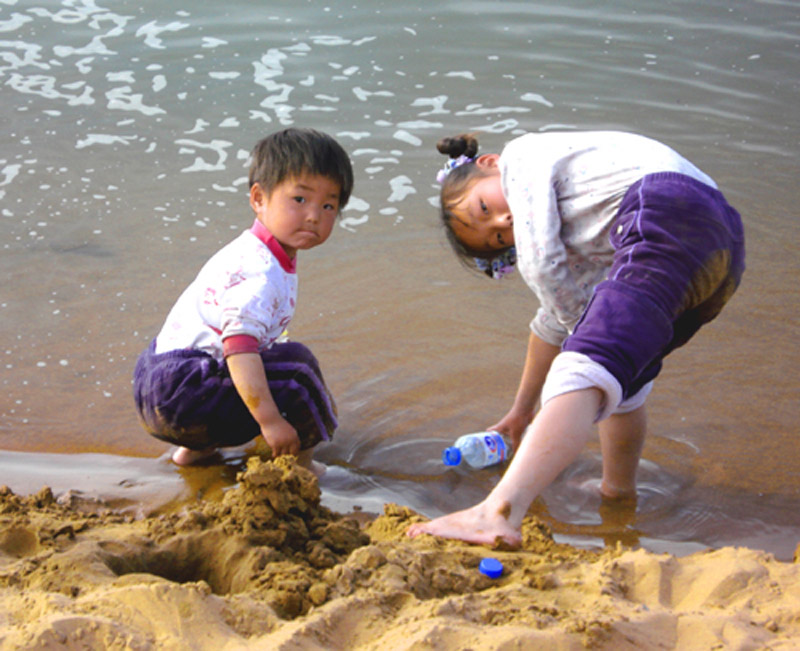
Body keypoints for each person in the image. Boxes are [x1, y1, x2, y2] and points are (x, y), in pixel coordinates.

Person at [407, 130, 745, 547]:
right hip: (720, 248)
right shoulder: (584, 223)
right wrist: (521, 411)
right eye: (497, 238)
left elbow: (544, 269)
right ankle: (617, 493)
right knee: (624, 379)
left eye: (484, 207)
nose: (503, 222)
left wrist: (581, 347)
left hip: (666, 206)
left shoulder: (522, 158)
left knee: (587, 365)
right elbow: (555, 318)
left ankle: (496, 512)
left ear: (489, 164)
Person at [133, 127, 354, 474]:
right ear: (259, 199)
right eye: (300, 199)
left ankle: (195, 452)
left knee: (263, 355)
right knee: (298, 369)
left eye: (329, 205)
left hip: (156, 384)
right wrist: (270, 421)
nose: (315, 215)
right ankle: (303, 463)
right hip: (185, 393)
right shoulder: (259, 271)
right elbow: (237, 346)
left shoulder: (253, 251)